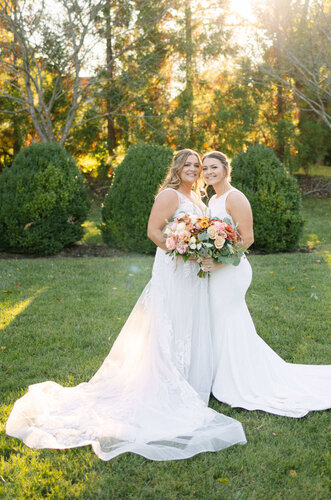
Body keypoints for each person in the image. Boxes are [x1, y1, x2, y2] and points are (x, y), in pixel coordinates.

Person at [6, 149, 246, 461]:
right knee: (169, 320)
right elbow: (154, 232)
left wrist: (197, 251)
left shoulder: (197, 198)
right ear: (177, 168)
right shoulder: (170, 195)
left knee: (190, 321)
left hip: (192, 271)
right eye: (187, 164)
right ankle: (165, 382)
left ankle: (187, 378)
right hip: (174, 268)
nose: (193, 169)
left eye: (196, 166)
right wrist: (181, 249)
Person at [202, 150, 331, 417]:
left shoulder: (235, 198)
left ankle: (237, 379)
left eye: (214, 167)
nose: (208, 172)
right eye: (205, 168)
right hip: (216, 269)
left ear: (226, 169)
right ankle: (222, 373)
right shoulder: (212, 199)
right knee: (221, 321)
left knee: (227, 319)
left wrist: (219, 262)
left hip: (232, 271)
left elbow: (247, 239)